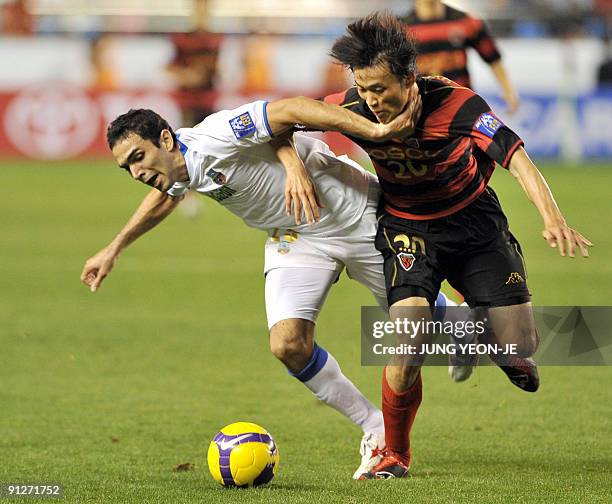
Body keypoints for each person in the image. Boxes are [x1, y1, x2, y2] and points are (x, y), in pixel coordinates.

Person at [282, 11, 592, 479]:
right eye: (363, 88)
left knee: (522, 339)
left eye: (379, 89)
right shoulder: (351, 105)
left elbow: (516, 157)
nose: (370, 100)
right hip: (408, 229)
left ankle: (495, 345)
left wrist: (553, 219)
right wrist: (291, 163)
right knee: (407, 340)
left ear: (409, 79)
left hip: (474, 224)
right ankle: (394, 452)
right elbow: (280, 117)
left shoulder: (458, 104)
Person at [80, 96, 456, 479]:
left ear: (165, 138)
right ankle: (373, 425)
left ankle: (479, 333)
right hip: (295, 234)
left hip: (350, 215)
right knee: (287, 344)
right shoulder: (179, 169)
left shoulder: (216, 135)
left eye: (138, 157)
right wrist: (114, 248)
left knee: (420, 320)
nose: (136, 172)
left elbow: (289, 110)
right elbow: (166, 198)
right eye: (126, 167)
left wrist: (370, 133)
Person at [400, 0, 519, 114]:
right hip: (422, 109)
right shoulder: (400, 29)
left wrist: (508, 90)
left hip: (462, 107)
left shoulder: (466, 22)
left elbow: (492, 57)